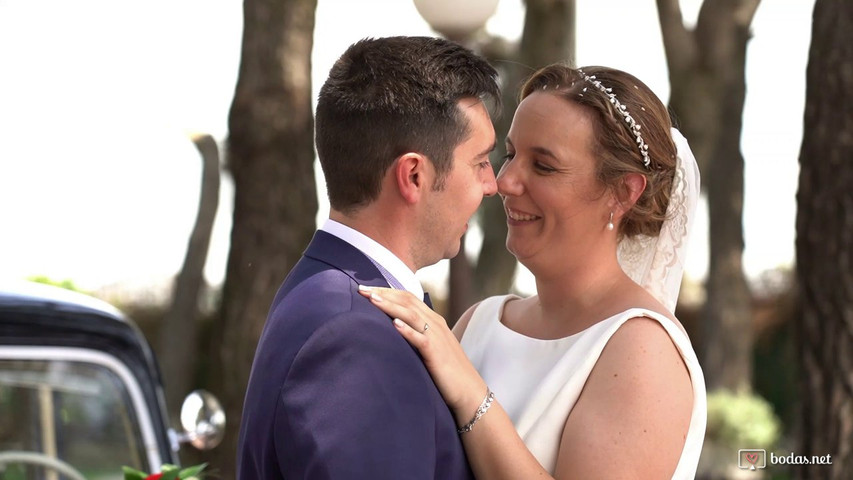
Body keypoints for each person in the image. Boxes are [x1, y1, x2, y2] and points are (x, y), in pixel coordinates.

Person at [359, 64, 707, 479]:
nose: (505, 181)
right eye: (509, 155)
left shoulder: (642, 350)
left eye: (543, 166)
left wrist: (473, 396)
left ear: (623, 192)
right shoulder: (479, 322)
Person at [235, 36, 500, 479]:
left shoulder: (324, 294)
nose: (492, 184)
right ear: (413, 175)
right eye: (479, 163)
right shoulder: (351, 334)